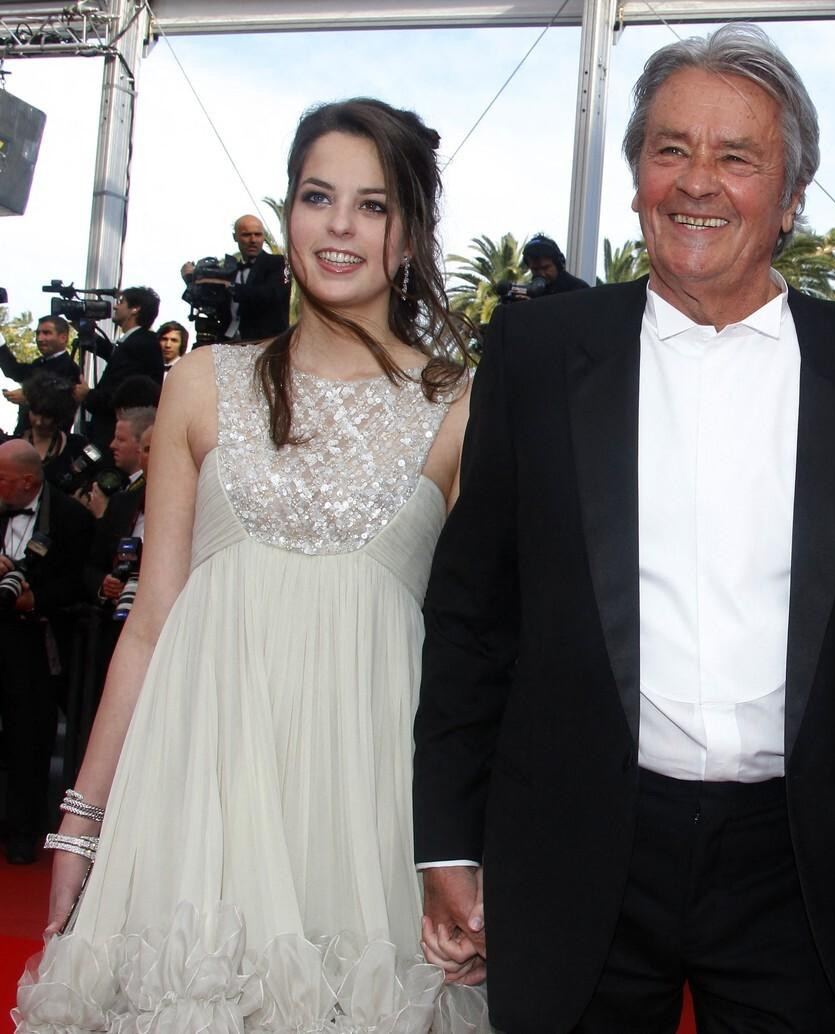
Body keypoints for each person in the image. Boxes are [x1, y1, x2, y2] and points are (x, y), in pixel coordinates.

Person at [415, 24, 835, 1034]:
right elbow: (472, 616)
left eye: (735, 157)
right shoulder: (536, 352)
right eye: (670, 149)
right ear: (635, 179)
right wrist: (446, 839)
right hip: (576, 841)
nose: (696, 181)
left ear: (791, 197)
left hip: (804, 866)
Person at [14, 97, 487, 1033]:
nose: (340, 225)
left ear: (408, 234)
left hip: (364, 819)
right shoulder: (204, 382)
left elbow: (477, 658)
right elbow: (151, 623)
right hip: (200, 803)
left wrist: (467, 851)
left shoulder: (461, 406)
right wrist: (82, 818)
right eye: (318, 196)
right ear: (289, 212)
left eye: (373, 204)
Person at [0, 439, 94, 864]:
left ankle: (24, 830)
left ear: (27, 481)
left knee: (29, 737)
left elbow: (80, 581)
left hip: (37, 641)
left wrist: (34, 599)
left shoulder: (71, 518)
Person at [76, 286, 165, 455]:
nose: (116, 306)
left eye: (121, 302)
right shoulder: (138, 342)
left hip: (114, 438)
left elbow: (120, 394)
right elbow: (117, 357)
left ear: (135, 309)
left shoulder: (139, 345)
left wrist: (88, 395)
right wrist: (88, 334)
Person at [182, 215, 293, 344]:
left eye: (258, 235)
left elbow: (273, 294)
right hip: (228, 342)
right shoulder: (230, 271)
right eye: (246, 235)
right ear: (235, 237)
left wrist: (231, 287)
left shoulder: (279, 263)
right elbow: (207, 304)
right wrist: (191, 280)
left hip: (266, 343)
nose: (253, 240)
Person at [1, 314, 80, 434]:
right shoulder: (39, 363)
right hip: (25, 436)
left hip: (51, 440)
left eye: (46, 333)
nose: (40, 338)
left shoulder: (70, 369)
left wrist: (29, 397)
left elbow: (60, 402)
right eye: (38, 333)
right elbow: (14, 370)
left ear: (63, 338)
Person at [16, 371, 90, 489]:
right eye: (35, 413)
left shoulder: (78, 445)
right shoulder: (11, 444)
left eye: (46, 417)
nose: (39, 422)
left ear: (59, 415)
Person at [521, 233, 590, 294]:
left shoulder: (579, 289)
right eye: (535, 269)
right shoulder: (529, 292)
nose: (541, 274)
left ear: (558, 264)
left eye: (545, 268)